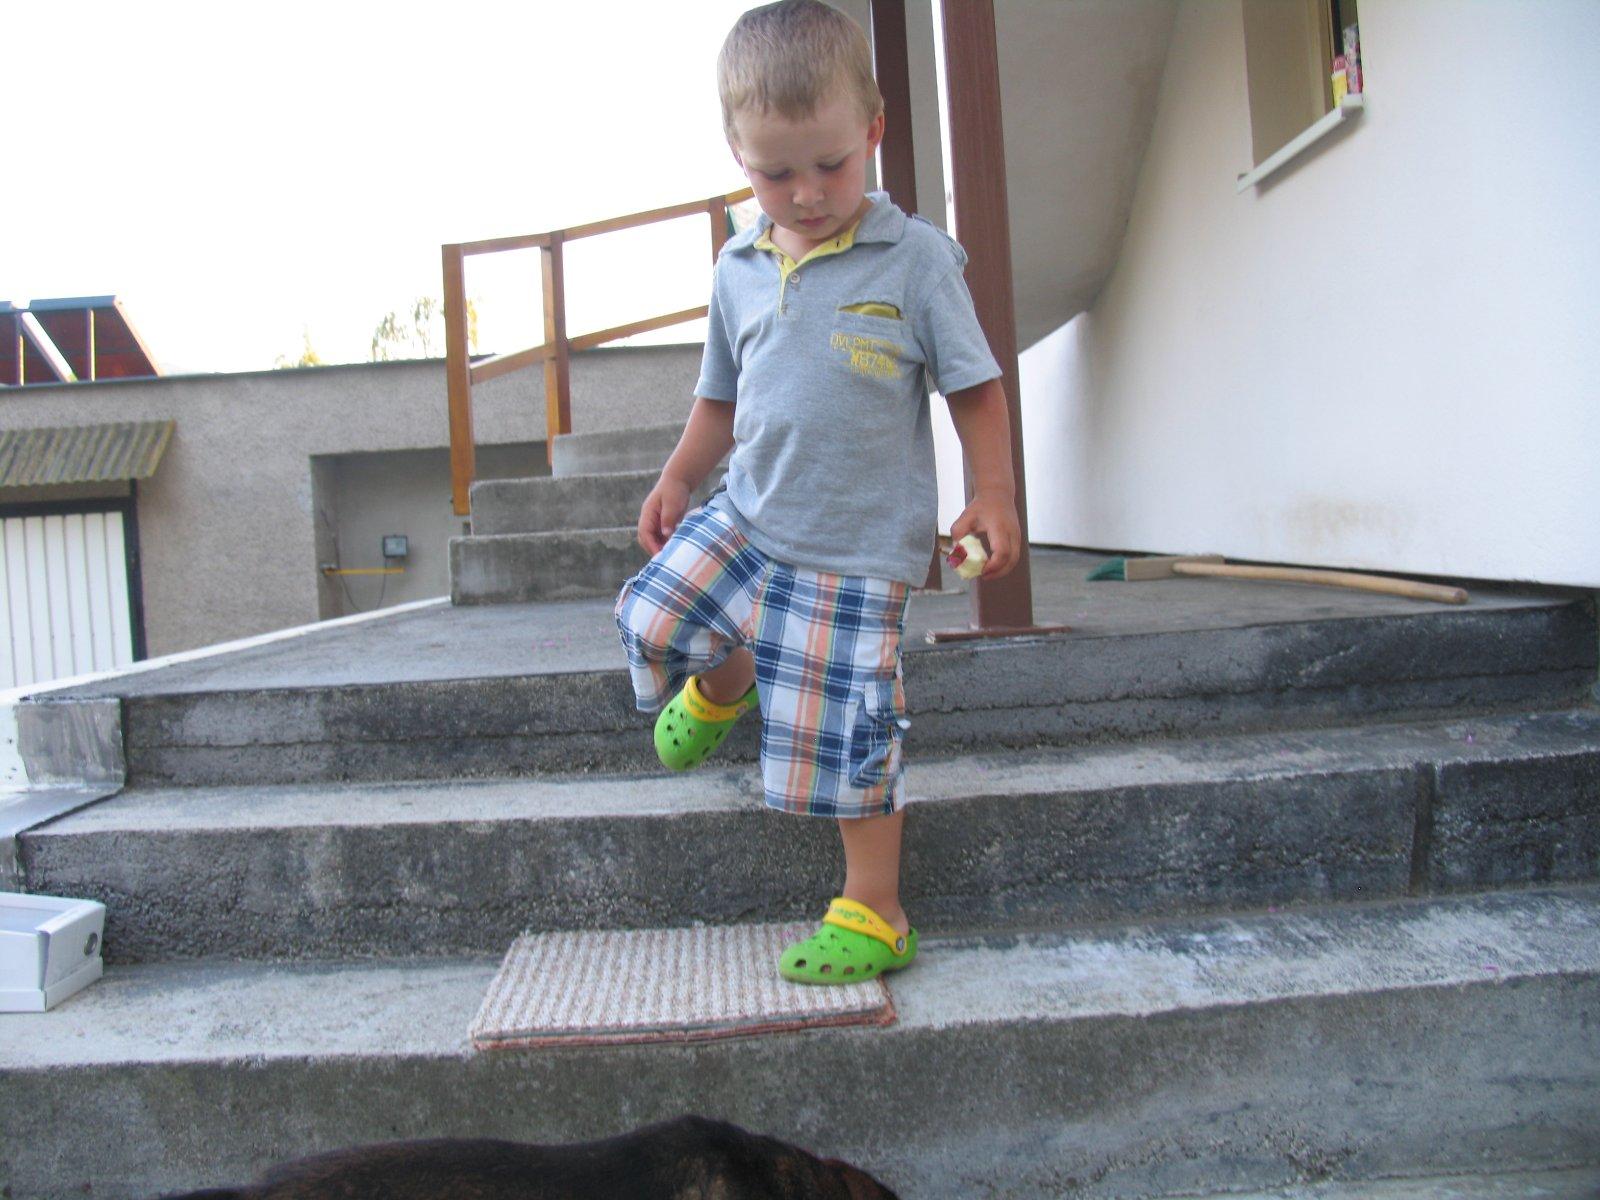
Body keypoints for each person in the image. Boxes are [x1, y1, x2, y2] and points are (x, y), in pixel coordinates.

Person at [614, 0, 1019, 984]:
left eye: (830, 165)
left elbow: (974, 386)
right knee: (652, 614)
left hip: (855, 552)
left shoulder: (916, 261)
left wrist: (995, 491)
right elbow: (720, 398)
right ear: (738, 157)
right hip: (748, 515)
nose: (804, 194)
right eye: (774, 173)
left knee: (846, 734)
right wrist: (679, 475)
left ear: (874, 131)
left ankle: (875, 912)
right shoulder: (737, 268)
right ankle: (727, 681)